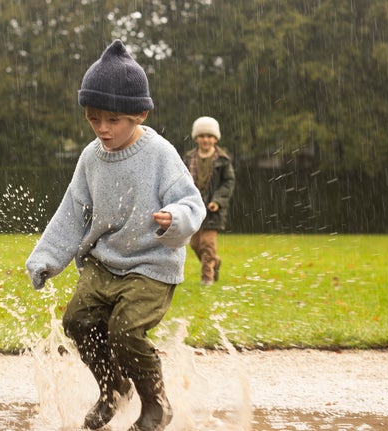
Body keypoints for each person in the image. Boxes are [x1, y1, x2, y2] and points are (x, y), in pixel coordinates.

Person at [25, 40, 205, 431]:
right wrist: (46, 256)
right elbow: (72, 211)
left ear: (139, 114)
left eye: (113, 120)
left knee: (124, 329)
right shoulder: (91, 157)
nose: (103, 129)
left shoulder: (160, 154)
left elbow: (192, 204)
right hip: (104, 262)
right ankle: (113, 388)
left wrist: (173, 219)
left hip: (151, 264)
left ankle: (156, 402)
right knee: (77, 321)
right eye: (93, 119)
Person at [183, 116, 236, 286]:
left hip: (213, 209)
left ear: (215, 138)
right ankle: (215, 262)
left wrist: (218, 200)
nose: (206, 139)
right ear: (196, 137)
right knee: (195, 244)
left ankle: (207, 277)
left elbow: (228, 182)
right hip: (193, 207)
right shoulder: (188, 158)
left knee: (207, 243)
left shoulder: (223, 160)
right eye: (202, 135)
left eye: (209, 136)